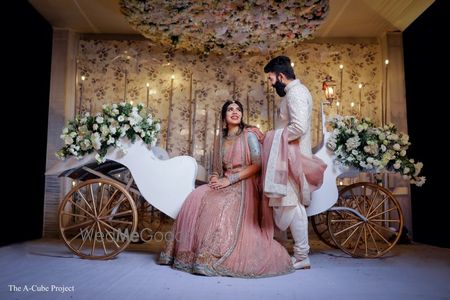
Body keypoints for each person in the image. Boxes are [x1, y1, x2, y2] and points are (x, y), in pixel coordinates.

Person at [159, 100, 293, 277]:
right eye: (230, 109)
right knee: (197, 196)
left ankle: (210, 257)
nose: (235, 112)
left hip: (245, 182)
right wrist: (214, 178)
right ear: (224, 116)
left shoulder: (249, 135)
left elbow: (258, 165)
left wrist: (230, 180)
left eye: (238, 109)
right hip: (225, 180)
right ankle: (184, 254)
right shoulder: (220, 138)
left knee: (220, 204)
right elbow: (216, 168)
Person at [263, 56, 326, 270]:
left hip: (291, 157)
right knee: (284, 204)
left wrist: (272, 138)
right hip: (286, 156)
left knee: (290, 204)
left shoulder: (296, 93)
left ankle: (301, 256)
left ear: (281, 76)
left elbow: (298, 127)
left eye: (271, 78)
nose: (270, 83)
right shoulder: (293, 93)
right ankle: (294, 253)